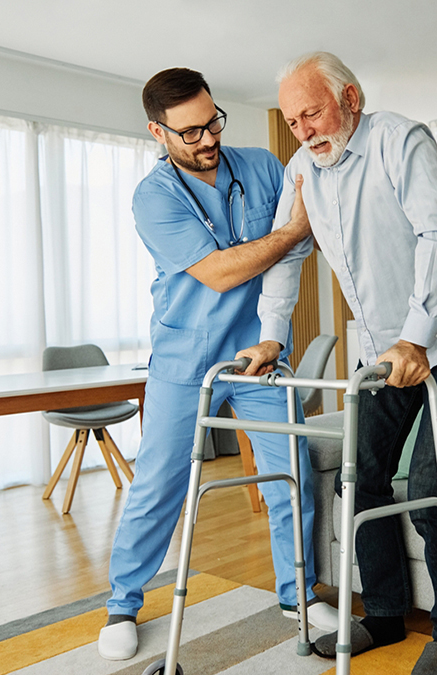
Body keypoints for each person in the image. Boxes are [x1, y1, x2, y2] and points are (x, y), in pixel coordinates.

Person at [237, 52, 437, 675]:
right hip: (385, 354)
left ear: (349, 98)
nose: (304, 130)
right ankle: (382, 614)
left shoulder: (399, 140)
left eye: (313, 112)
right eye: (293, 120)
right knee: (360, 477)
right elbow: (288, 252)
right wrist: (273, 334)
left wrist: (415, 338)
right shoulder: (303, 167)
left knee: (434, 488)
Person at [98, 67, 338, 661]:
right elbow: (221, 271)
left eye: (213, 123)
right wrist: (288, 233)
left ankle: (298, 596)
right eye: (190, 132)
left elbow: (301, 246)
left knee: (294, 473)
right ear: (158, 132)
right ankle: (123, 604)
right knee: (161, 482)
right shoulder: (153, 199)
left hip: (256, 353)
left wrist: (289, 249)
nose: (207, 139)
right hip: (185, 356)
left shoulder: (260, 166)